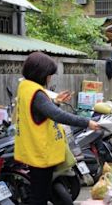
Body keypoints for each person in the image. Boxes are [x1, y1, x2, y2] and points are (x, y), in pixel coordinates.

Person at [14, 52, 100, 205]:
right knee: (38, 198)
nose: (50, 78)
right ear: (41, 73)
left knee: (41, 192)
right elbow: (57, 115)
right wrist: (87, 123)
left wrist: (57, 102)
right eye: (49, 75)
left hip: (32, 148)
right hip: (40, 152)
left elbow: (40, 112)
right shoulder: (37, 93)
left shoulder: (25, 87)